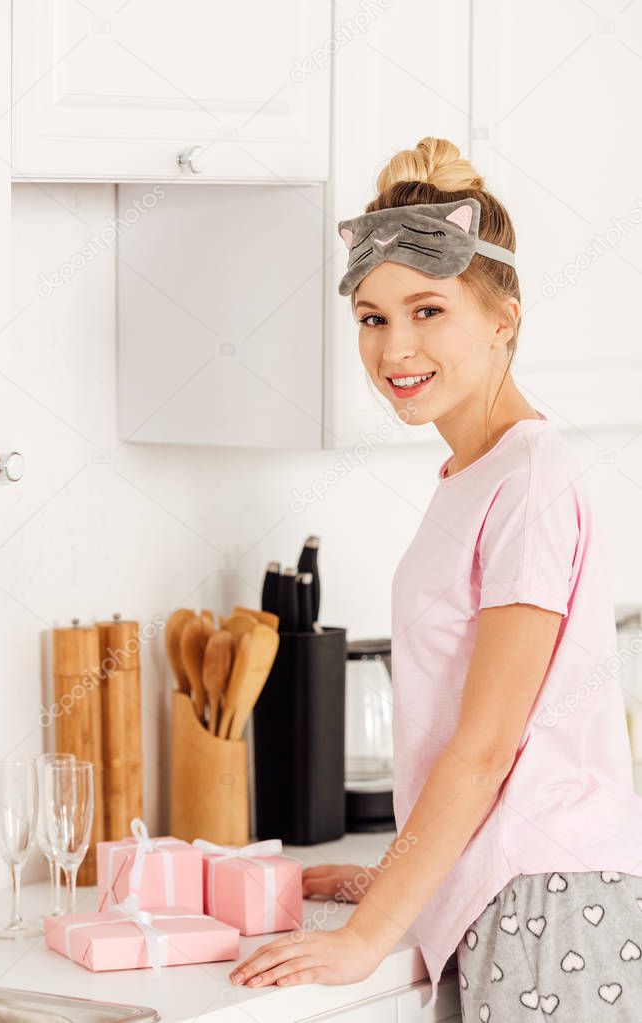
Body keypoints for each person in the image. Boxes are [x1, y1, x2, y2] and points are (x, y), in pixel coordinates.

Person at [228, 136, 642, 1019]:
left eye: (426, 310)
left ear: (504, 318)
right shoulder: (477, 475)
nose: (393, 348)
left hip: (548, 908)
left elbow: (489, 746)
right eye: (372, 318)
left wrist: (367, 933)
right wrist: (395, 875)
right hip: (511, 892)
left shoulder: (529, 479)